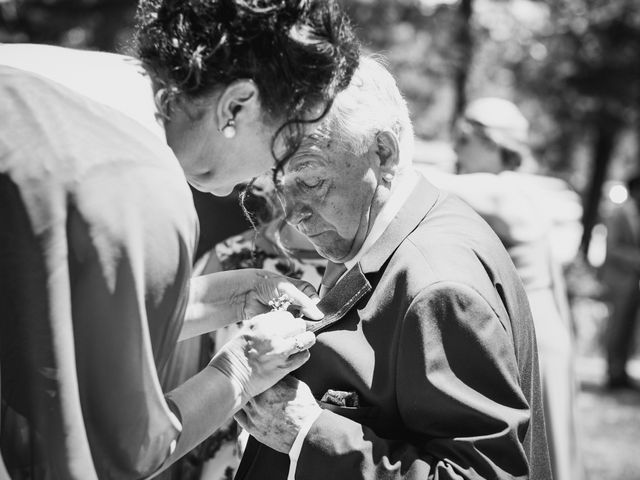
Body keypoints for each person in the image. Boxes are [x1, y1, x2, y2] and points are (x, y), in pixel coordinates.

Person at [0, 1, 359, 478]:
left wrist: (233, 297)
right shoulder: (138, 186)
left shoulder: (34, 69)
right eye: (282, 145)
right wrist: (241, 369)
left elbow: (48, 316)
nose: (267, 181)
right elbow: (118, 452)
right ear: (237, 105)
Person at [233, 57, 552, 480]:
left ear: (382, 153)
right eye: (280, 185)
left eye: (309, 182)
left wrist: (308, 434)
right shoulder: (374, 232)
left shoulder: (439, 285)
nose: (292, 214)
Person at [418, 97, 584, 480]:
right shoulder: (519, 188)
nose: (454, 146)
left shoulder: (499, 192)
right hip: (540, 328)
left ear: (492, 144)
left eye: (463, 137)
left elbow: (416, 182)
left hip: (533, 335)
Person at [601, 174, 640, 389]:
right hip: (619, 280)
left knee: (629, 329)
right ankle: (612, 374)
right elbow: (613, 248)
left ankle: (622, 372)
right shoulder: (619, 213)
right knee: (617, 328)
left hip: (633, 281)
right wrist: (636, 259)